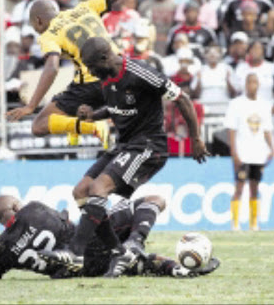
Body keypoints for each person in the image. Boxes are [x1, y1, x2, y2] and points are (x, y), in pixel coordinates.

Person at [40, 36, 209, 276]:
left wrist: (196, 138)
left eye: (90, 65)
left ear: (104, 58)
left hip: (149, 146)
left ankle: (75, 252)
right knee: (81, 191)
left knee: (99, 187)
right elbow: (117, 107)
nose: (89, 71)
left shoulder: (140, 72)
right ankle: (119, 252)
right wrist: (93, 115)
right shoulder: (106, 78)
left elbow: (182, 98)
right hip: (124, 145)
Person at [6, 0, 181, 150]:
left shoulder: (48, 34)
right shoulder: (85, 8)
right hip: (119, 71)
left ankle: (92, 127)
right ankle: (79, 126)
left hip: (91, 83)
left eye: (34, 26)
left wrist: (31, 105)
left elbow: (52, 67)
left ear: (38, 21)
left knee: (38, 125)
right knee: (75, 85)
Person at [0, 195, 219, 279]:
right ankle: (136, 242)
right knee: (154, 201)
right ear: (17, 207)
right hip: (85, 247)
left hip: (76, 272)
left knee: (139, 264)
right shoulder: (34, 209)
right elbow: (63, 221)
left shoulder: (0, 249)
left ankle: (177, 268)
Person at [224, 73, 274, 231]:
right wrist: (234, 152)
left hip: (258, 153)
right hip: (242, 152)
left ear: (258, 84)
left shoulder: (265, 105)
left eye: (255, 82)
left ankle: (254, 224)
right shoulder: (236, 104)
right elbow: (231, 130)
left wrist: (272, 148)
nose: (252, 85)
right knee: (239, 187)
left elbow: (266, 130)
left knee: (255, 187)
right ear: (245, 84)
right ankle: (235, 223)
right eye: (250, 82)